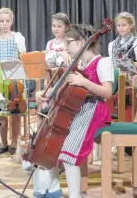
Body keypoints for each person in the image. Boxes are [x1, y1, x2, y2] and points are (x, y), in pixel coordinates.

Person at [33, 24, 114, 198]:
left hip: (94, 110)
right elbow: (63, 91)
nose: (66, 47)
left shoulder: (103, 62)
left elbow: (107, 93)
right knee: (53, 146)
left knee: (68, 152)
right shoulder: (78, 65)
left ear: (83, 42)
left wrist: (84, 82)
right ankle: (52, 190)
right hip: (78, 111)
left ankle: (75, 195)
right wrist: (45, 96)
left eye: (69, 42)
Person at [0, 7, 26, 155]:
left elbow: (23, 55)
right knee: (1, 112)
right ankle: (3, 142)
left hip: (14, 76)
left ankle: (14, 141)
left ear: (11, 22)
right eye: (2, 21)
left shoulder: (17, 37)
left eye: (7, 21)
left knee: (15, 110)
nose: (4, 24)